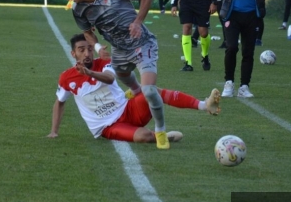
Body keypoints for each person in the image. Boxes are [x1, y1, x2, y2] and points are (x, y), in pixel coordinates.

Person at [55, 0, 170, 149]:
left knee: (148, 90)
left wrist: (138, 22)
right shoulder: (78, 9)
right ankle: (134, 89)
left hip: (142, 44)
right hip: (120, 50)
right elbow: (87, 33)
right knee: (124, 76)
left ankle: (161, 130)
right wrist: (99, 47)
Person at [47, 34, 221, 143]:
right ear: (73, 54)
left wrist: (90, 73)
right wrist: (54, 131)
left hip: (128, 108)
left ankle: (204, 105)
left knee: (151, 91)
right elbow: (60, 102)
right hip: (107, 126)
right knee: (143, 137)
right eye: (81, 50)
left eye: (89, 49)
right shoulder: (66, 77)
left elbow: (109, 78)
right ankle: (160, 136)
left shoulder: (105, 63)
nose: (86, 53)